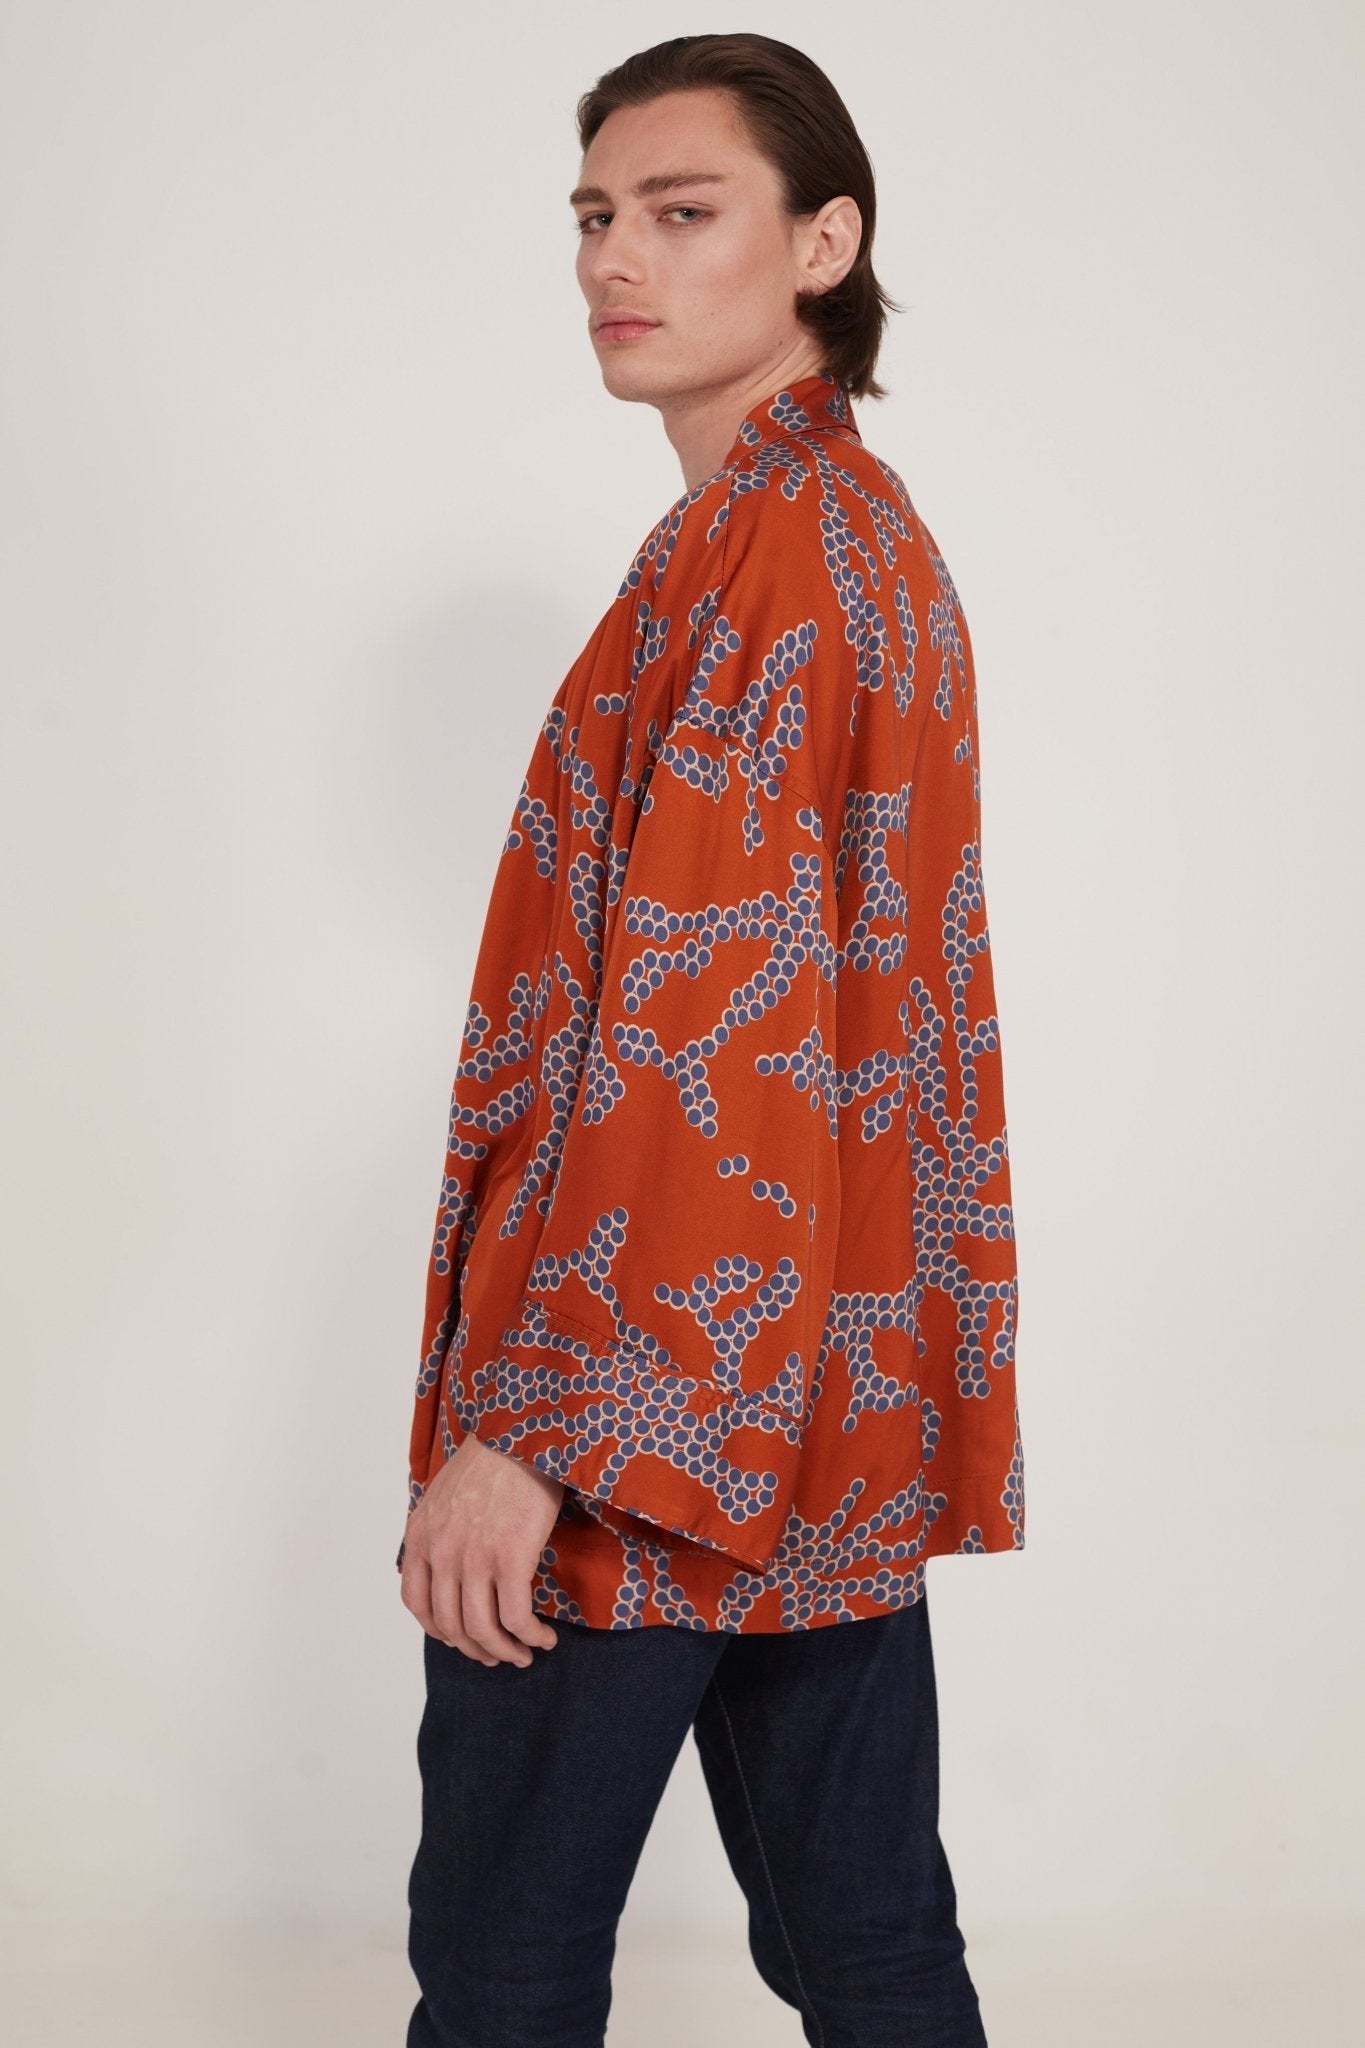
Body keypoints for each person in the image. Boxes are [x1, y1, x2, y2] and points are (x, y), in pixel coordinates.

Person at [397, 32, 1024, 2048]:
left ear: (823, 242)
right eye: (595, 214)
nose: (616, 258)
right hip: (814, 1402)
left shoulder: (771, 561)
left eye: (682, 213)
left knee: (500, 1965)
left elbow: (709, 1036)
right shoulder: (842, 534)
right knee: (868, 1947)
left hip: (650, 1416)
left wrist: (528, 1435)